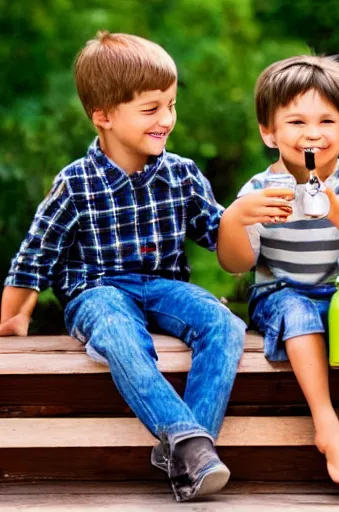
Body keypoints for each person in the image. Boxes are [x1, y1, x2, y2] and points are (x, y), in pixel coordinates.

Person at [0, 31, 250, 502]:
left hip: (164, 286)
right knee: (116, 330)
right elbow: (35, 257)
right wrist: (14, 317)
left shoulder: (182, 174)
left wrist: (239, 218)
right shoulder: (76, 182)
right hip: (98, 291)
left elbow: (224, 244)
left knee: (224, 323)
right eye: (151, 109)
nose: (167, 119)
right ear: (104, 116)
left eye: (171, 105)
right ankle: (191, 445)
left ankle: (185, 448)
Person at [217, 55, 339, 491]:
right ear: (268, 131)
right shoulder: (260, 190)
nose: (312, 133)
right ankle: (326, 422)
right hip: (283, 289)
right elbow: (236, 263)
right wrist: (234, 219)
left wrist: (331, 203)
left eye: (327, 121)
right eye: (295, 121)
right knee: (298, 316)